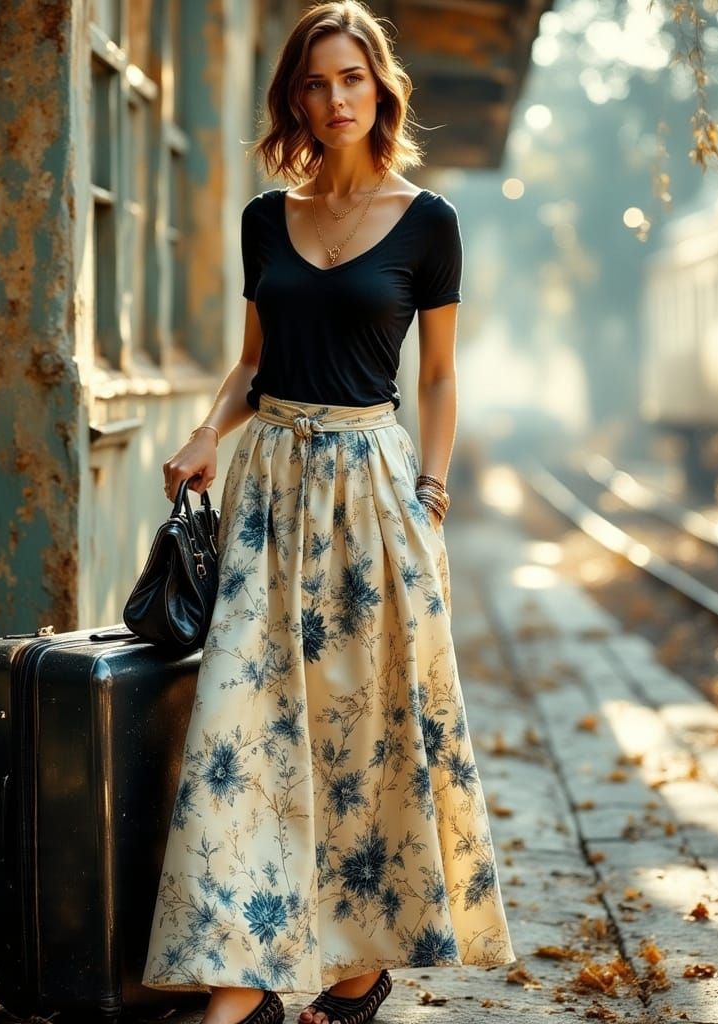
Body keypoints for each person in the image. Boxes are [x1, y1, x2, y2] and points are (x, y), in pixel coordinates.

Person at [142, 3, 516, 1023]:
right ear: (293, 98)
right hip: (268, 495)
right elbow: (252, 362)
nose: (334, 98)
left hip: (374, 495)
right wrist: (205, 431)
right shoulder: (266, 216)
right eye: (314, 82)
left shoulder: (429, 221)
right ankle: (241, 981)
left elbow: (438, 380)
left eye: (350, 78)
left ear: (379, 88)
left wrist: (432, 493)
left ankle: (356, 969)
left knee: (368, 735)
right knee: (243, 727)